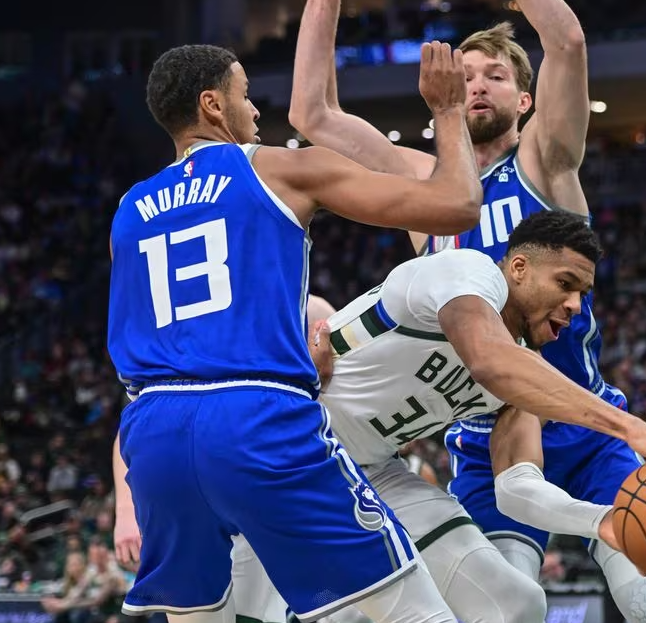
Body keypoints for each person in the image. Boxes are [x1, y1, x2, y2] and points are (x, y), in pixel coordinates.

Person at [288, 0, 646, 621]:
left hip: (583, 420)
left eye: (496, 75)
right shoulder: (425, 187)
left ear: (526, 101)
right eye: (468, 72)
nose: (477, 83)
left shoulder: (545, 162)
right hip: (487, 433)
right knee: (510, 603)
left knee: (643, 568)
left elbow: (564, 38)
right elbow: (312, 113)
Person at [108, 40, 486, 623]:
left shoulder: (128, 210)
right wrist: (449, 112)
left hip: (154, 434)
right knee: (416, 612)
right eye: (245, 95)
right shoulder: (279, 168)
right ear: (213, 105)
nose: (256, 112)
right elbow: (458, 205)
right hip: (254, 416)